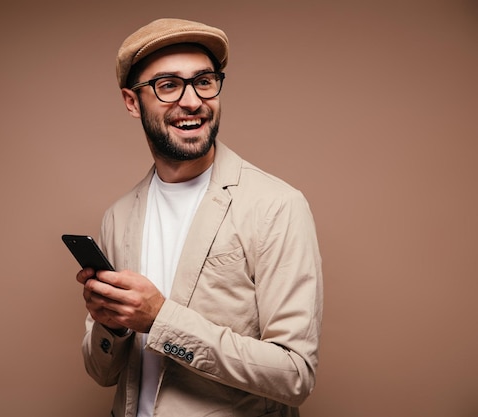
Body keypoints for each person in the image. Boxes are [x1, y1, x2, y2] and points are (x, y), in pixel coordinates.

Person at [75, 17, 323, 417]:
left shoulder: (276, 205)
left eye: (204, 81)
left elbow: (295, 374)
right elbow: (102, 373)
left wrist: (160, 319)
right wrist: (113, 325)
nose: (192, 101)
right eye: (168, 85)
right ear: (132, 102)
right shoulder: (117, 217)